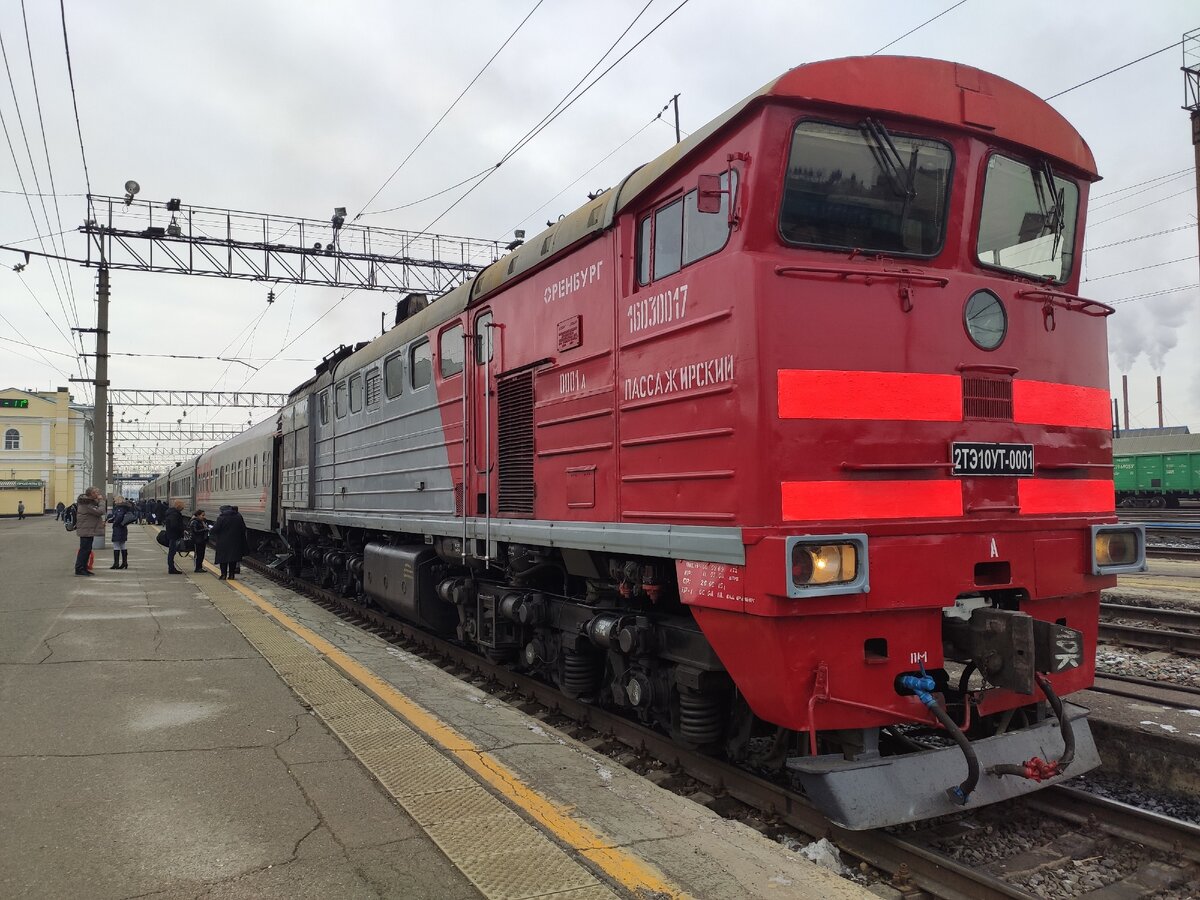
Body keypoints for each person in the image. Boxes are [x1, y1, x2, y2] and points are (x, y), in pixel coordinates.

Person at [210, 504, 248, 581]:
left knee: (223, 559)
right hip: (235, 542)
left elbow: (215, 529)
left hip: (223, 542)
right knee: (233, 559)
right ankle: (231, 575)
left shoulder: (221, 518)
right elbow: (243, 528)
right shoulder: (238, 517)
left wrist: (211, 531)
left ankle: (223, 575)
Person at [73, 487, 105, 577]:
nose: (98, 494)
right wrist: (101, 501)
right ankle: (79, 569)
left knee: (87, 550)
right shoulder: (86, 504)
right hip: (85, 530)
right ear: (91, 494)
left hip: (88, 529)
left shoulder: (88, 502)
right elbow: (100, 511)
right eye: (96, 492)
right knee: (84, 550)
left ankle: (84, 568)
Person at [108, 498, 134, 570]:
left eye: (116, 501)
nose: (115, 502)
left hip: (118, 528)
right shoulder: (125, 508)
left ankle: (116, 563)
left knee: (116, 545)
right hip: (123, 528)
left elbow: (119, 517)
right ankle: (124, 563)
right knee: (122, 544)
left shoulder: (120, 508)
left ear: (119, 501)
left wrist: (114, 523)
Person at [163, 500, 187, 575]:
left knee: (172, 552)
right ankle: (171, 569)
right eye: (182, 507)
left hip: (171, 535)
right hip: (173, 536)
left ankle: (171, 568)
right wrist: (182, 528)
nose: (183, 508)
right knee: (172, 552)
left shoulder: (171, 513)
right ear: (178, 506)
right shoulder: (174, 514)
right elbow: (174, 525)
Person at [189, 509, 211, 573]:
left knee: (201, 555)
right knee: (199, 555)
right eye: (202, 515)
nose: (204, 516)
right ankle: (198, 568)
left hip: (201, 540)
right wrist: (205, 529)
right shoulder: (195, 522)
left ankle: (199, 567)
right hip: (198, 541)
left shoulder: (200, 521)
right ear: (198, 515)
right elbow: (195, 531)